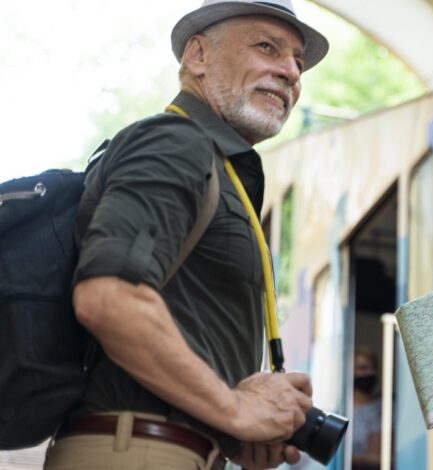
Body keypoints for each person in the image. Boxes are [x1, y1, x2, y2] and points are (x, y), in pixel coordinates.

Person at [43, 1, 329, 469]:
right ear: (197, 55)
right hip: (137, 452)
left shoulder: (215, 162)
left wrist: (232, 433)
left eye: (298, 62)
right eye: (267, 47)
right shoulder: (177, 141)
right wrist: (234, 408)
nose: (291, 73)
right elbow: (110, 297)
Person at [352, 347, 382, 470]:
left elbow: (376, 457)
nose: (369, 373)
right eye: (362, 368)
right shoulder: (342, 409)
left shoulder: (382, 407)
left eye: (373, 368)